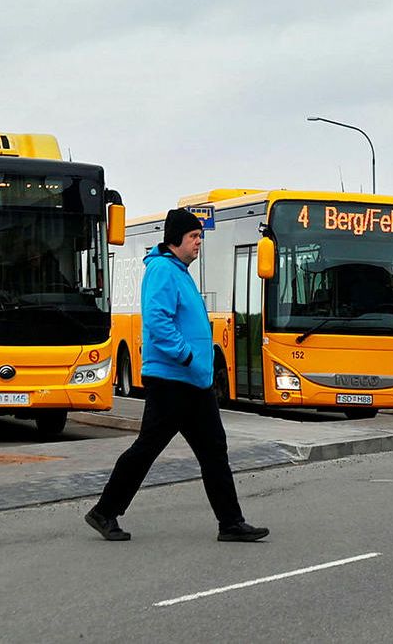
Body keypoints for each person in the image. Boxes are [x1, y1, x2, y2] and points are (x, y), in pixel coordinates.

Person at [85, 208, 268, 543]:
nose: (199, 243)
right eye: (193, 237)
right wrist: (186, 355)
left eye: (200, 236)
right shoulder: (162, 272)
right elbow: (157, 322)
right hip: (172, 380)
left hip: (193, 382)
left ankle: (230, 523)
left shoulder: (179, 271)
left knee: (214, 449)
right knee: (147, 448)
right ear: (176, 240)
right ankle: (104, 511)